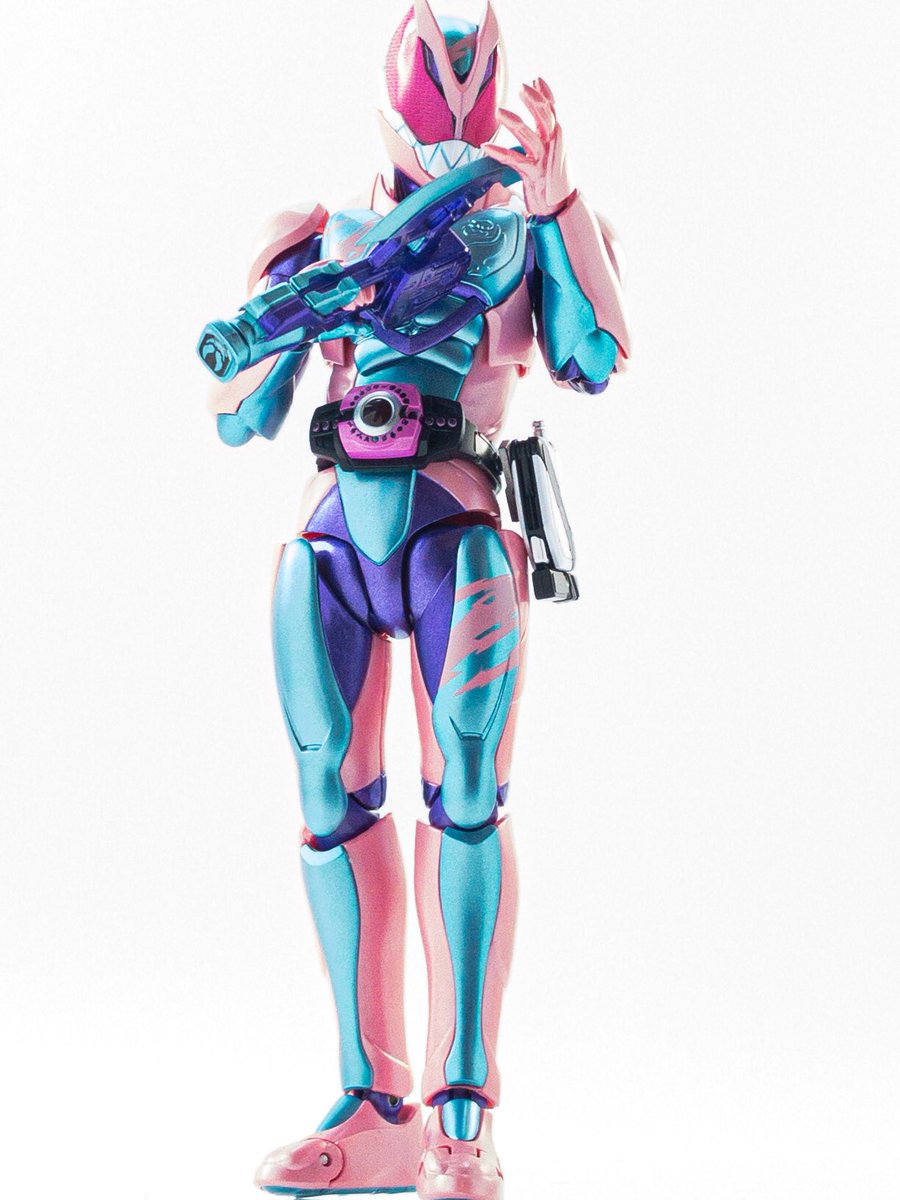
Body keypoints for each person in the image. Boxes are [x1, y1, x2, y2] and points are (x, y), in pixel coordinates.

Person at [205, 3, 630, 1196]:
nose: (446, 137)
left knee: (468, 802)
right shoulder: (315, 233)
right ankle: (372, 1098)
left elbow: (593, 359)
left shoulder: (526, 223)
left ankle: (460, 1114)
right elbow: (237, 415)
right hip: (334, 538)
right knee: (329, 802)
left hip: (457, 530)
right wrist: (304, 307)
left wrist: (556, 205)